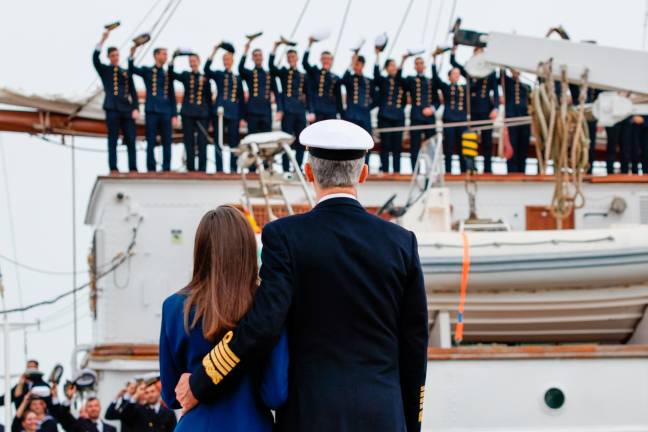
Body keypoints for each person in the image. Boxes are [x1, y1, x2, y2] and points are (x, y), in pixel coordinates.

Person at [177, 119, 429, 432]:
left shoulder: (283, 236)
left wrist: (203, 381)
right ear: (363, 174)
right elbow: (414, 346)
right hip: (383, 416)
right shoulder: (401, 243)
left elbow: (263, 325)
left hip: (308, 416)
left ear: (308, 172)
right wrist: (409, 424)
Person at [159, 207, 288, 431]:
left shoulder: (173, 307)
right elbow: (275, 393)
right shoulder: (267, 307)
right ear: (247, 249)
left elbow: (172, 395)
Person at [93, 30, 139, 173]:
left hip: (126, 109)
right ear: (109, 57)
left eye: (117, 55)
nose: (115, 57)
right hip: (112, 108)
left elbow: (133, 91)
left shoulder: (125, 72)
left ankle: (133, 168)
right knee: (112, 139)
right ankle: (113, 167)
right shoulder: (105, 70)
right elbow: (95, 59)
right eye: (113, 55)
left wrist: (135, 108)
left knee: (131, 139)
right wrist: (102, 40)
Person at [129, 46, 178, 172]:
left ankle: (166, 168)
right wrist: (132, 54)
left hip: (166, 111)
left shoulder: (168, 74)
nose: (165, 57)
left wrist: (174, 114)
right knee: (151, 140)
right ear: (156, 55)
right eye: (163, 54)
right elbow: (132, 69)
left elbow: (172, 95)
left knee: (167, 141)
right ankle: (151, 168)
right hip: (152, 110)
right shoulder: (147, 71)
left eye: (167, 54)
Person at [450, 47, 498, 173]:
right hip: (473, 109)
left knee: (487, 142)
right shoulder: (470, 70)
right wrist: (453, 51)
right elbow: (454, 64)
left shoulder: (491, 72)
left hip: (486, 109)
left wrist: (496, 108)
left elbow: (496, 91)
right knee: (470, 140)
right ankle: (471, 166)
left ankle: (488, 169)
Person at [270, 42, 311, 172]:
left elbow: (308, 94)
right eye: (289, 57)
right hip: (287, 111)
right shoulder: (283, 72)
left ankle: (298, 167)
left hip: (300, 111)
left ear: (297, 58)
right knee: (286, 141)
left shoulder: (303, 76)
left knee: (301, 142)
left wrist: (310, 111)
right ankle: (286, 168)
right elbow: (271, 67)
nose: (291, 59)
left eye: (293, 57)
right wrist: (275, 48)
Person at [204, 43, 244, 173]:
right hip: (220, 113)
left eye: (229, 60)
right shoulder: (219, 74)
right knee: (218, 141)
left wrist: (242, 116)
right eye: (225, 60)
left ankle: (233, 168)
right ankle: (219, 169)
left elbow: (241, 97)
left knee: (234, 142)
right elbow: (206, 69)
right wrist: (214, 51)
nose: (227, 62)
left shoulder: (237, 78)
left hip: (234, 113)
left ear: (232, 61)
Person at [169, 52, 211, 172]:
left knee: (202, 142)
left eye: (194, 60)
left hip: (202, 113)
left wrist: (210, 115)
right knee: (189, 141)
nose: (192, 63)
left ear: (198, 61)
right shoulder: (186, 75)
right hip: (188, 113)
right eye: (190, 61)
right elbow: (171, 74)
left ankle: (202, 169)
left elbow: (208, 97)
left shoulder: (205, 78)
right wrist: (173, 59)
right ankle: (191, 168)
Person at [432, 50, 467, 173]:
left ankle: (464, 170)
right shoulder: (446, 87)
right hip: (449, 119)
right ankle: (448, 171)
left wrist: (454, 54)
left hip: (461, 120)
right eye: (454, 73)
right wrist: (434, 62)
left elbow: (471, 79)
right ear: (449, 76)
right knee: (449, 147)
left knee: (463, 147)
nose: (456, 75)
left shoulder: (464, 88)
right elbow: (436, 79)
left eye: (458, 74)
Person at [374, 49, 407, 173]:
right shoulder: (383, 81)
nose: (394, 68)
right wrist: (377, 56)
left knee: (397, 146)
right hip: (385, 116)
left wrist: (403, 61)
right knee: (385, 145)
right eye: (391, 65)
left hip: (398, 117)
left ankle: (397, 171)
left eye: (395, 65)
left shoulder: (401, 81)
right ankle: (386, 170)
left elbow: (403, 100)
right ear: (386, 68)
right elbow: (376, 76)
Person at [404, 55, 438, 172]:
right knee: (415, 145)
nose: (419, 65)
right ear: (415, 66)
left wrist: (432, 109)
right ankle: (416, 170)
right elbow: (399, 80)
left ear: (424, 66)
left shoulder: (430, 81)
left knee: (431, 145)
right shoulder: (411, 80)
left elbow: (437, 100)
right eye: (417, 63)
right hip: (416, 116)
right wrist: (403, 61)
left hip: (429, 117)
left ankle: (431, 170)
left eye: (421, 63)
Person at [340, 53, 376, 165]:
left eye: (359, 64)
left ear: (363, 65)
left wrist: (368, 106)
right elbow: (342, 80)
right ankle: (348, 164)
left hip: (365, 115)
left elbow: (376, 97)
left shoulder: (369, 81)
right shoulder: (349, 79)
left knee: (366, 141)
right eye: (355, 64)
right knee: (349, 141)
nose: (357, 66)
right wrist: (351, 63)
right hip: (351, 115)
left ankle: (365, 164)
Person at [239, 43, 276, 134]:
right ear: (252, 58)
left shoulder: (269, 74)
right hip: (252, 112)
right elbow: (240, 68)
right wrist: (245, 51)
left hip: (266, 112)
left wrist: (279, 110)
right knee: (252, 138)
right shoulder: (249, 74)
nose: (258, 57)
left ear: (263, 57)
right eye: (255, 56)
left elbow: (276, 92)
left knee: (266, 139)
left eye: (260, 55)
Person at [48, 384, 116, 432]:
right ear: (86, 409)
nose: (93, 408)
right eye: (90, 406)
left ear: (100, 407)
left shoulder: (111, 429)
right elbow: (62, 415)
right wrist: (69, 398)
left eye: (96, 406)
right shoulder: (79, 425)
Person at [501, 68, 531, 173]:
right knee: (512, 144)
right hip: (512, 117)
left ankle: (522, 170)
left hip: (524, 119)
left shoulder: (526, 87)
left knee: (523, 145)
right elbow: (501, 73)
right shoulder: (507, 82)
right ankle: (512, 170)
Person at [302, 38, 340, 122]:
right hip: (316, 111)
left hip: (331, 112)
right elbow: (304, 63)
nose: (326, 61)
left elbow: (338, 97)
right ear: (320, 60)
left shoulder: (336, 77)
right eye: (324, 58)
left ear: (331, 61)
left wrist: (339, 113)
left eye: (328, 59)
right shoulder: (314, 72)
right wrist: (309, 45)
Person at [569, 83, 601, 174]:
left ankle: (588, 169)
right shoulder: (573, 80)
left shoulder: (592, 81)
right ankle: (575, 167)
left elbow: (599, 97)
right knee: (575, 142)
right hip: (576, 114)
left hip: (591, 115)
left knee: (590, 143)